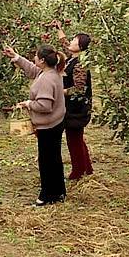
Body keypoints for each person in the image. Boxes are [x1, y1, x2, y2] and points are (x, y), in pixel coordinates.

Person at [3, 44, 67, 206]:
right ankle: (59, 192)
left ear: (43, 60)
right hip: (56, 122)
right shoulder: (51, 72)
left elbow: (45, 106)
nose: (34, 59)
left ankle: (46, 195)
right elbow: (32, 69)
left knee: (46, 161)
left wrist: (29, 104)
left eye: (36, 56)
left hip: (49, 126)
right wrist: (15, 57)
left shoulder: (46, 79)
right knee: (54, 159)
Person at [56, 24, 94, 179]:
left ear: (80, 47)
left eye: (74, 40)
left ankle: (78, 172)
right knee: (77, 139)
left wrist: (60, 92)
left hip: (77, 109)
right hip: (73, 108)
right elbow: (65, 45)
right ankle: (87, 169)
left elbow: (79, 89)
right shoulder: (73, 58)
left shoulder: (79, 65)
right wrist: (58, 29)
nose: (70, 42)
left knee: (74, 140)